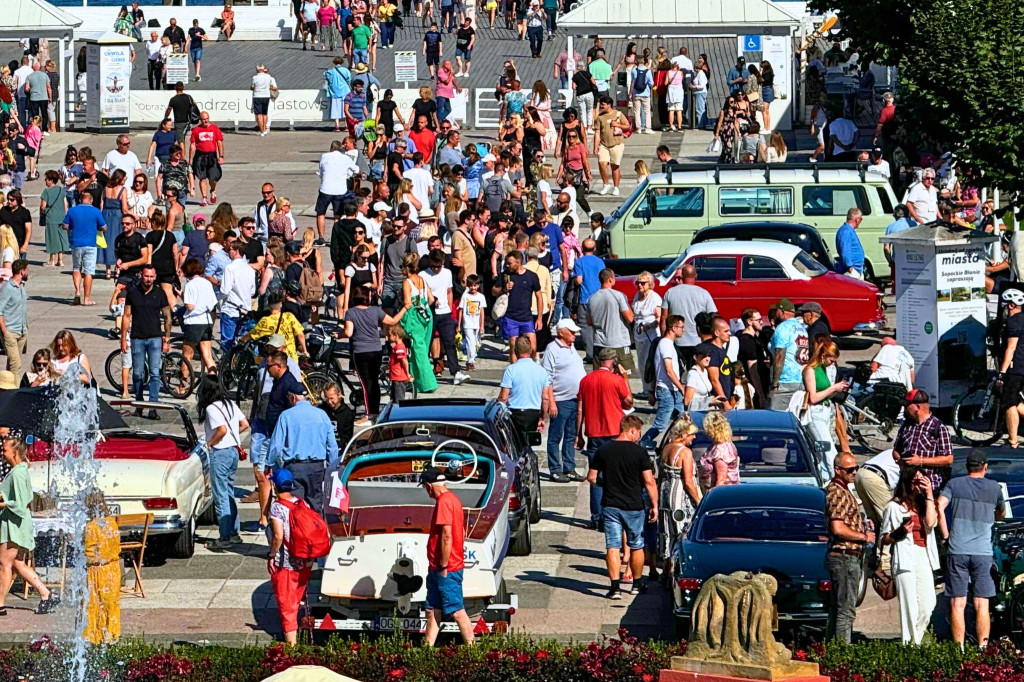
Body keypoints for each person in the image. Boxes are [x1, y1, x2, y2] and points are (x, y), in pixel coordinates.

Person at [939, 449, 1005, 648]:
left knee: (957, 603)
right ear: (985, 467)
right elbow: (1001, 512)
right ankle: (983, 647)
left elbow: (939, 505)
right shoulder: (994, 488)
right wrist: (992, 520)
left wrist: (945, 535)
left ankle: (958, 650)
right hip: (982, 552)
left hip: (957, 549)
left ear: (967, 467)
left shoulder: (954, 484)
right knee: (981, 603)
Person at [588, 414, 657, 599]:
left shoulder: (604, 450)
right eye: (638, 433)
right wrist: (655, 505)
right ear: (632, 430)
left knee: (612, 546)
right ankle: (637, 583)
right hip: (634, 505)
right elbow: (649, 481)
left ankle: (614, 587)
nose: (638, 437)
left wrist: (606, 484)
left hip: (610, 505)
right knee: (636, 545)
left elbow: (592, 477)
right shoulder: (640, 453)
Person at [0, 435, 60, 616]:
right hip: (16, 521)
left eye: (5, 449)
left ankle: (0, 604)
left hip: (14, 523)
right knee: (17, 563)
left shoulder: (18, 473)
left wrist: (2, 503)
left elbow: (18, 503)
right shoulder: (19, 471)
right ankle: (46, 593)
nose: (2, 453)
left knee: (5, 563)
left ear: (15, 452)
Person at [576, 347, 633, 529]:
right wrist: (625, 379)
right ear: (613, 361)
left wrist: (579, 434)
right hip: (614, 432)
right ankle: (613, 514)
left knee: (595, 477)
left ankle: (596, 517)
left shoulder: (586, 380)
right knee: (616, 475)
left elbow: (580, 409)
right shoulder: (616, 380)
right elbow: (629, 401)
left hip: (594, 433)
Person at [881, 468, 939, 645]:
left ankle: (917, 640)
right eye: (915, 481)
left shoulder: (924, 504)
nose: (918, 486)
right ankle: (910, 645)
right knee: (909, 605)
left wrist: (929, 494)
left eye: (922, 481)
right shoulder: (893, 507)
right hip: (904, 556)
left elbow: (931, 522)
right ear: (906, 483)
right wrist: (899, 532)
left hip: (923, 555)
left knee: (928, 604)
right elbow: (884, 538)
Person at [420, 466, 475, 646]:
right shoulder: (453, 499)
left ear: (429, 486)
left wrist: (443, 565)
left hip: (446, 568)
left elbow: (446, 535)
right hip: (440, 567)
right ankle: (427, 648)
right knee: (432, 609)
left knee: (457, 610)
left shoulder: (443, 501)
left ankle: (473, 649)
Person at [267, 385, 339, 516]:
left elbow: (276, 445)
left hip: (294, 467)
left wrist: (269, 464)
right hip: (316, 467)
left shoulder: (286, 416)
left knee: (295, 507)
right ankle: (317, 533)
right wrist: (331, 468)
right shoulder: (322, 415)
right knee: (316, 505)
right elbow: (332, 446)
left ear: (293, 397)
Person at [825, 452, 874, 644]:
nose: (854, 472)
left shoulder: (843, 489)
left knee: (838, 608)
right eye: (850, 469)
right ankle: (841, 656)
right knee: (845, 610)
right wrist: (864, 536)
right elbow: (838, 528)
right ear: (838, 470)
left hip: (847, 556)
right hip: (844, 556)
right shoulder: (836, 492)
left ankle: (831, 650)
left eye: (856, 468)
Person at [198, 375, 249, 550]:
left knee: (220, 495)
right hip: (233, 451)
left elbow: (222, 430)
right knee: (229, 492)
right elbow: (244, 424)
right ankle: (234, 533)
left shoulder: (212, 408)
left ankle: (224, 536)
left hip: (220, 453)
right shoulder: (229, 404)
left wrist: (211, 442)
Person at [893, 388, 953, 533]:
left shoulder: (938, 428)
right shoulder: (906, 426)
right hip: (907, 484)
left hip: (928, 486)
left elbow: (948, 458)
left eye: (907, 406)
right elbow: (896, 450)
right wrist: (899, 460)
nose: (905, 409)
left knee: (928, 523)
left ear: (917, 407)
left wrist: (920, 461)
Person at [266, 468, 314, 646]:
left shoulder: (277, 507)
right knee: (295, 599)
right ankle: (295, 634)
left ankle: (291, 647)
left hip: (286, 563)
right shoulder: (302, 503)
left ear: (275, 486)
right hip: (305, 561)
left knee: (286, 604)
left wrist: (271, 555)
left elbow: (278, 536)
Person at [343, 286, 405, 420]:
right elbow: (393, 321)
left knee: (366, 384)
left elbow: (348, 332)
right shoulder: (376, 311)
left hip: (360, 351)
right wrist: (405, 308)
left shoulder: (350, 313)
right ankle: (375, 410)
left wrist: (338, 334)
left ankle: (369, 413)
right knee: (374, 381)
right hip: (376, 349)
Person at [541, 318, 586, 482]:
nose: (575, 334)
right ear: (561, 332)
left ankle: (569, 467)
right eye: (571, 331)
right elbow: (547, 378)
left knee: (570, 435)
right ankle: (555, 468)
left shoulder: (571, 346)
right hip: (561, 400)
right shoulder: (552, 349)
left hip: (576, 399)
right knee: (555, 436)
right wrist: (551, 402)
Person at [122, 265, 171, 411]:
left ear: (155, 277)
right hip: (137, 337)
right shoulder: (132, 292)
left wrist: (167, 338)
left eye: (151, 276)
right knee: (138, 373)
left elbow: (167, 317)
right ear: (141, 275)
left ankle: (153, 406)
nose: (148, 279)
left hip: (155, 337)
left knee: (155, 373)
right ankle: (139, 403)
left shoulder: (160, 293)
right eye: (146, 276)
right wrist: (123, 339)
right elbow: (126, 316)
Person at [640, 315, 687, 448]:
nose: (683, 330)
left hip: (673, 390)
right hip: (667, 390)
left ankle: (676, 444)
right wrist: (681, 387)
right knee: (661, 423)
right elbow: (668, 370)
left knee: (683, 419)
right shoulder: (665, 344)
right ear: (673, 328)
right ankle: (644, 442)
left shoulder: (669, 344)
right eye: (681, 327)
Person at [658, 416, 701, 565]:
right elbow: (688, 482)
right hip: (680, 499)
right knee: (681, 533)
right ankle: (675, 570)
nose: (694, 437)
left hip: (665, 495)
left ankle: (665, 570)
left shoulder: (667, 448)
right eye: (691, 434)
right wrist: (698, 501)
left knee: (667, 533)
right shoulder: (685, 452)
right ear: (683, 435)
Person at [660, 264, 716, 372]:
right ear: (696, 276)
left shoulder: (670, 293)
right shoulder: (704, 293)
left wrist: (664, 339)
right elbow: (713, 317)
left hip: (677, 341)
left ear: (682, 276)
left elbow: (663, 318)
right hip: (698, 341)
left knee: (679, 372)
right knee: (697, 373)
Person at [802, 340, 850, 466]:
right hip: (815, 412)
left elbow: (825, 394)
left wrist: (838, 389)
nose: (833, 364)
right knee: (829, 452)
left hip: (825, 410)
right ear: (823, 356)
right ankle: (835, 479)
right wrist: (833, 388)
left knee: (822, 453)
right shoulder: (810, 370)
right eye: (831, 360)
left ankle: (827, 479)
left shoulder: (823, 369)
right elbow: (813, 398)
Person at [82, 490, 120, 645]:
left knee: (94, 604)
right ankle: (112, 634)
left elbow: (90, 555)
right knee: (111, 603)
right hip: (113, 568)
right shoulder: (112, 522)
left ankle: (94, 637)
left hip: (97, 570)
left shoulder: (91, 527)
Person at [493, 250, 543, 362]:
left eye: (510, 263)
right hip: (510, 317)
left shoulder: (532, 276)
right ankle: (514, 371)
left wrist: (539, 318)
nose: (507, 265)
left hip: (526, 317)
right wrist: (504, 289)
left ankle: (529, 369)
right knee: (513, 347)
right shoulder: (506, 275)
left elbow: (539, 296)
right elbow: (494, 291)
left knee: (533, 347)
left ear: (518, 262)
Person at [400, 252, 438, 394]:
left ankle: (428, 382)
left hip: (414, 316)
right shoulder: (422, 279)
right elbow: (431, 299)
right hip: (426, 314)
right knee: (423, 348)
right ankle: (416, 380)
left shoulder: (407, 282)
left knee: (418, 350)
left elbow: (407, 303)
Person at [499, 336, 553, 434]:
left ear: (515, 351)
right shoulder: (541, 371)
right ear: (531, 350)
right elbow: (545, 398)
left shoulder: (511, 369)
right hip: (533, 414)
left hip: (514, 413)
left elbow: (503, 397)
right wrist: (542, 418)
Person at [62, 190, 105, 306]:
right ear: (91, 200)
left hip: (76, 243)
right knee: (89, 271)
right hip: (90, 244)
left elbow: (65, 226)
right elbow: (104, 226)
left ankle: (77, 292)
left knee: (76, 268)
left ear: (81, 199)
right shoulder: (95, 211)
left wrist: (73, 226)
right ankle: (87, 298)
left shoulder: (72, 210)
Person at [587, 267, 634, 372]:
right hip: (618, 343)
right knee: (623, 376)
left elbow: (589, 322)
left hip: (599, 343)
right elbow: (630, 318)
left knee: (600, 376)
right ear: (610, 279)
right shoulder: (618, 295)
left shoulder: (592, 298)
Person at [768, 299, 808, 409]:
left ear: (781, 311)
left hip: (784, 381)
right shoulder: (802, 328)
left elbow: (779, 356)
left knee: (775, 420)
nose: (775, 313)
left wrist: (775, 383)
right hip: (800, 380)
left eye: (776, 311)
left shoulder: (783, 328)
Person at [219, 240, 256, 351]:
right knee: (243, 341)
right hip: (245, 309)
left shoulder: (230, 268)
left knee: (227, 342)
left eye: (230, 249)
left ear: (236, 251)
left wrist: (215, 299)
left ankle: (226, 365)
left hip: (230, 309)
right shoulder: (250, 269)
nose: (228, 252)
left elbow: (225, 290)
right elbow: (253, 291)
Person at [632, 271, 663, 400]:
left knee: (649, 361)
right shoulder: (636, 296)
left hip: (650, 334)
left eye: (643, 283)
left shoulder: (654, 297)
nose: (640, 285)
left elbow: (659, 317)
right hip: (638, 333)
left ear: (649, 284)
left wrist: (649, 326)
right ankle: (645, 388)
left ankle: (652, 389)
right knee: (640, 361)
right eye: (638, 282)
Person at [1001, 288, 1024, 447]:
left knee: (1009, 402)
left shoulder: (1013, 321)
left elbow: (1011, 348)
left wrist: (1002, 372)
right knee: (1016, 401)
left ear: (1010, 305)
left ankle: (1012, 441)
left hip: (1017, 367)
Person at [593, 96, 629, 196]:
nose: (601, 107)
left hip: (616, 144)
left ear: (609, 105)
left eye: (603, 105)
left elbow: (627, 126)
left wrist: (618, 125)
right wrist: (595, 147)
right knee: (602, 163)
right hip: (604, 145)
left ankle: (616, 187)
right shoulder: (600, 117)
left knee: (614, 166)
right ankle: (606, 184)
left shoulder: (618, 114)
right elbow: (597, 132)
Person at [189, 112, 224, 207]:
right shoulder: (196, 130)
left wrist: (221, 156)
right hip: (200, 156)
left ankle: (212, 190)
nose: (206, 120)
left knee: (213, 178)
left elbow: (219, 142)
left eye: (207, 118)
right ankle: (204, 198)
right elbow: (192, 145)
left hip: (212, 156)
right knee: (202, 177)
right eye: (204, 119)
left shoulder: (215, 128)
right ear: (200, 119)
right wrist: (191, 159)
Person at [0, 259, 28, 378]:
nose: (28, 272)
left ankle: (5, 390)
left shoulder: (21, 286)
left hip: (21, 332)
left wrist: (25, 329)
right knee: (16, 365)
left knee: (11, 364)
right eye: (27, 270)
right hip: (10, 332)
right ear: (22, 271)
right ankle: (14, 394)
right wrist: (5, 332)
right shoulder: (7, 288)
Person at [697, 411, 738, 492]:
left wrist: (713, 498)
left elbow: (721, 480)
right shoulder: (723, 444)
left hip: (723, 493)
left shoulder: (720, 450)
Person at [318, 382, 354, 450]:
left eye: (332, 398)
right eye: (327, 399)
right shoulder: (322, 409)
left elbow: (347, 435)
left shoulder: (347, 413)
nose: (329, 402)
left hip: (339, 446)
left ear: (339, 395)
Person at [835, 208, 865, 279]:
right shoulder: (846, 231)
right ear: (857, 220)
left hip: (856, 270)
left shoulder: (848, 230)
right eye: (861, 219)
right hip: (852, 271)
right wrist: (850, 268)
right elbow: (845, 251)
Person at [251, 65, 277, 137]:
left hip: (257, 95)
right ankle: (264, 129)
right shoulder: (268, 77)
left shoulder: (255, 77)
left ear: (257, 70)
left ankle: (262, 130)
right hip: (266, 96)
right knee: (265, 114)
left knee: (259, 114)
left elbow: (253, 87)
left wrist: (253, 88)